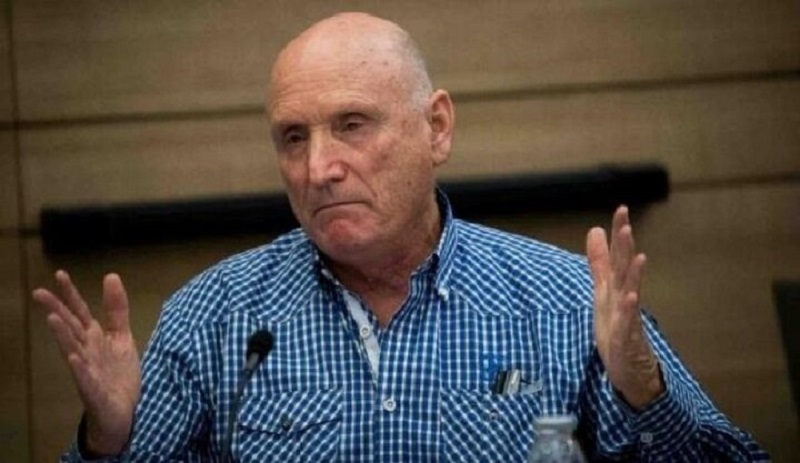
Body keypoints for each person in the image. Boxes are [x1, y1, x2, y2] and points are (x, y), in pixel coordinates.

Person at [34, 12, 768, 462]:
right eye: (294, 138)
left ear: (436, 127)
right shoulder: (214, 317)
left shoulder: (566, 302)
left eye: (352, 124)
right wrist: (108, 443)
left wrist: (646, 392)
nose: (319, 168)